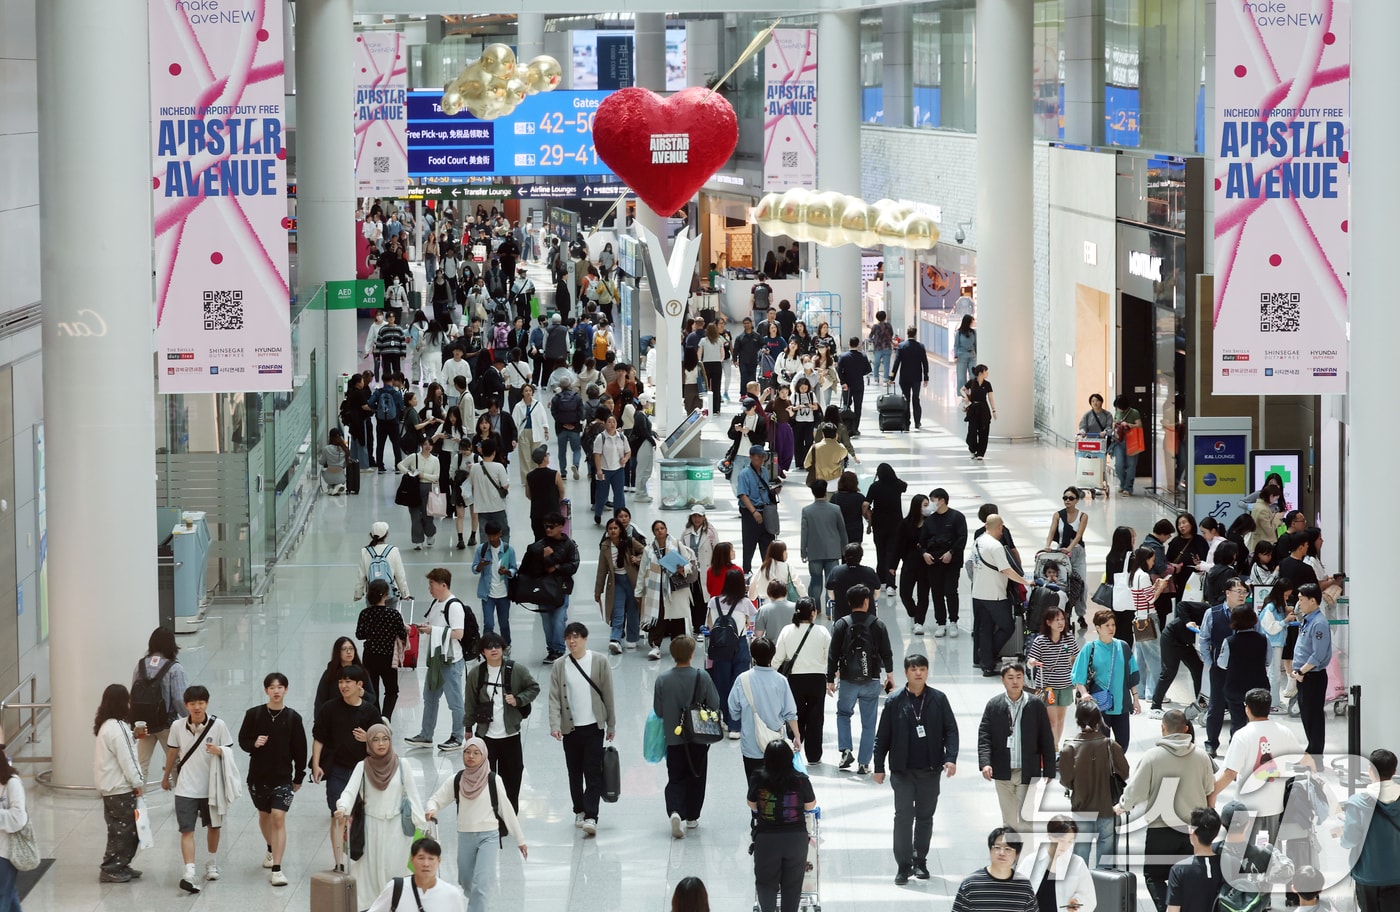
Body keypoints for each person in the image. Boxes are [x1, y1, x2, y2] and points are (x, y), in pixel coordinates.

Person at [1114, 710, 1216, 909]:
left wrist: (1122, 806)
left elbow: (1135, 791)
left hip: (1160, 829)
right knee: (1188, 874)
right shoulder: (1202, 756)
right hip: (1192, 830)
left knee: (1154, 875)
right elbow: (1209, 790)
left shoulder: (1152, 757)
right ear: (1186, 729)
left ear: (1163, 729)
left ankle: (1166, 908)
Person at [872, 653, 959, 884]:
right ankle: (903, 865)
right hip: (902, 771)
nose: (918, 672)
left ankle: (920, 860)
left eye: (922, 668)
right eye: (913, 669)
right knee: (902, 817)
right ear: (906, 672)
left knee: (924, 817)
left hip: (930, 770)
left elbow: (951, 730)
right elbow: (882, 737)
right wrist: (878, 766)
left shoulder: (939, 699)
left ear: (927, 672)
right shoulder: (894, 701)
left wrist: (950, 758)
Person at [423, 738, 527, 908]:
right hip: (465, 835)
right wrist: (431, 809)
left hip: (489, 836)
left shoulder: (493, 780)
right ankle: (482, 901)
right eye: (467, 752)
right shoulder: (457, 780)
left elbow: (507, 810)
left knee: (481, 882)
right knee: (465, 880)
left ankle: (479, 903)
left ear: (484, 755)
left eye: (476, 753)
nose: (470, 756)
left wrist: (520, 840)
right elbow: (436, 799)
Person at [334, 723, 429, 908]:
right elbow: (349, 792)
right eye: (375, 740)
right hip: (371, 830)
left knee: (395, 873)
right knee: (370, 876)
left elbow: (413, 795)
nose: (381, 744)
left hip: (397, 831)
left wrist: (423, 827)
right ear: (369, 743)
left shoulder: (403, 765)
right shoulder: (362, 766)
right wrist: (343, 807)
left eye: (385, 739)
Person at [162, 685, 236, 894]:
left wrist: (219, 750)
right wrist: (166, 776)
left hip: (211, 788)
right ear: (186, 705)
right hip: (185, 788)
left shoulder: (218, 725)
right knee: (186, 830)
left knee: (214, 827)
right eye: (193, 703)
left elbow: (229, 751)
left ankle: (211, 862)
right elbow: (172, 752)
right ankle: (189, 871)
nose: (197, 707)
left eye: (201, 702)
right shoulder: (177, 726)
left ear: (207, 703)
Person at [1208, 688, 1307, 842]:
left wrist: (1212, 794)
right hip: (1274, 805)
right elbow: (1299, 760)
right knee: (1267, 853)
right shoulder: (1284, 731)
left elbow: (1229, 773)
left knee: (1243, 854)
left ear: (1247, 708)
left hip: (1246, 807)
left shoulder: (1242, 735)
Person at [238, 672, 308, 886]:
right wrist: (254, 743)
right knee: (264, 816)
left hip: (283, 777)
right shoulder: (254, 714)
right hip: (258, 777)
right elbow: (242, 740)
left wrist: (299, 776)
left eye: (280, 687)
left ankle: (277, 868)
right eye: (272, 687)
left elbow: (300, 749)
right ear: (266, 690)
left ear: (286, 689)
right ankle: (270, 848)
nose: (276, 691)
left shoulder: (293, 718)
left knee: (278, 817)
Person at [311, 664, 382, 874]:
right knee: (338, 815)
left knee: (364, 816)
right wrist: (316, 764)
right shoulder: (329, 709)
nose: (343, 686)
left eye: (348, 681)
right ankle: (339, 862)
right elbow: (319, 738)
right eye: (341, 682)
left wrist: (368, 737)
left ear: (359, 685)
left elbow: (382, 742)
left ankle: (363, 857)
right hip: (338, 771)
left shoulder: (369, 711)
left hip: (363, 772)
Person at [548, 622, 616, 837]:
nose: (572, 641)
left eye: (576, 637)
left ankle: (591, 816)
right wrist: (554, 725)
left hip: (594, 726)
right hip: (571, 728)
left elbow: (608, 694)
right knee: (574, 772)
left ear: (585, 639)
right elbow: (554, 697)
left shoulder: (599, 661)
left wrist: (611, 723)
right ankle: (579, 809)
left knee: (593, 772)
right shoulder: (559, 665)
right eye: (568, 637)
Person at [653, 635, 723, 837]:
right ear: (692, 654)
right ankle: (692, 817)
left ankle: (675, 810)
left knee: (675, 776)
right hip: (698, 737)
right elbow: (715, 703)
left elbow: (658, 711)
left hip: (674, 738)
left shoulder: (662, 680)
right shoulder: (702, 676)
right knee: (697, 775)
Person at [464, 633, 538, 812]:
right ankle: (491, 814)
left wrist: (519, 699)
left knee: (512, 776)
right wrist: (468, 728)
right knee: (486, 777)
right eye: (489, 647)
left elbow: (534, 687)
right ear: (483, 651)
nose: (494, 650)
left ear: (503, 649)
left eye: (497, 646)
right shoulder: (477, 673)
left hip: (510, 734)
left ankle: (510, 813)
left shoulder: (516, 670)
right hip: (485, 735)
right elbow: (470, 701)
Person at [978, 663, 1057, 833]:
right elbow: (984, 736)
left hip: (1027, 770)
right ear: (1003, 680)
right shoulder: (994, 705)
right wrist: (985, 763)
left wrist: (1050, 768)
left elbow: (1046, 737)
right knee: (1009, 821)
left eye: (1019, 677)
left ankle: (1025, 858)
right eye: (1010, 678)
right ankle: (1011, 857)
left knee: (1026, 820)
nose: (1015, 681)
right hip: (1002, 771)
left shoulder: (1035, 704)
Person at [407, 568, 477, 753]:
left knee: (455, 701)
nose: (429, 587)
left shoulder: (453, 606)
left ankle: (457, 736)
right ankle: (426, 735)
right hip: (436, 659)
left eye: (431, 583)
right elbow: (437, 626)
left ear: (443, 585)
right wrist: (426, 628)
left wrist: (433, 631)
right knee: (430, 698)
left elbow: (458, 633)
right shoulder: (436, 603)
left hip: (451, 660)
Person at [827, 585, 895, 775]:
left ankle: (846, 750)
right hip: (871, 679)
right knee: (868, 723)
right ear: (868, 602)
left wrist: (830, 678)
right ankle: (864, 763)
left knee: (843, 714)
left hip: (848, 680)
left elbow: (833, 654)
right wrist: (889, 676)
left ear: (849, 603)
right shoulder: (878, 624)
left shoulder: (841, 624)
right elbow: (886, 653)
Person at [748, 741, 818, 912]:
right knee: (792, 885)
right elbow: (811, 805)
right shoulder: (800, 779)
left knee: (765, 882)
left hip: (766, 839)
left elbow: (751, 803)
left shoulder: (758, 777)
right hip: (795, 839)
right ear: (789, 758)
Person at [1059, 700, 1129, 868]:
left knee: (1080, 856)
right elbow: (1125, 772)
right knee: (1106, 860)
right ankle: (1103, 891)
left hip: (1082, 809)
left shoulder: (1069, 748)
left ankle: (1081, 890)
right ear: (1099, 721)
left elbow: (1066, 781)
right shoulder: (1110, 745)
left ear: (1078, 721)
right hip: (1108, 809)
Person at [728, 637, 802, 778]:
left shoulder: (742, 679)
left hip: (751, 745)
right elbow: (790, 713)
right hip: (776, 745)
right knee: (777, 786)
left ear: (752, 655)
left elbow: (733, 710)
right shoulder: (781, 681)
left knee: (754, 787)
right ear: (772, 655)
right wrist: (797, 736)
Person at [94, 684, 144, 884]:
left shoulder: (106, 726)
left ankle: (120, 864)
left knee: (118, 829)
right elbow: (128, 759)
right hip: (120, 788)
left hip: (109, 787)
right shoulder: (118, 727)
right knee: (125, 831)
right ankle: (112, 868)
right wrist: (138, 782)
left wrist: (133, 738)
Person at [972, 515, 1034, 676]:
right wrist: (1025, 582)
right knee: (1007, 626)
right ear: (999, 527)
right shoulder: (996, 546)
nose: (1002, 531)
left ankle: (986, 663)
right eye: (1001, 528)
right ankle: (988, 656)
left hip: (978, 593)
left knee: (986, 629)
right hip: (995, 595)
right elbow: (1006, 570)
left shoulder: (978, 541)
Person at [772, 598, 832, 765]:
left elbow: (778, 658)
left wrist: (770, 672)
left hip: (795, 679)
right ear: (813, 612)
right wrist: (831, 675)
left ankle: (794, 747)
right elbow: (830, 657)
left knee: (794, 714)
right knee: (816, 717)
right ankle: (814, 756)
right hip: (817, 679)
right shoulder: (822, 632)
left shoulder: (787, 630)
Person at [1340, 748, 1400, 912]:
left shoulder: (1357, 803)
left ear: (1370, 770)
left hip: (1368, 874)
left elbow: (1349, 840)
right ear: (1395, 771)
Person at [1197, 577, 1250, 757]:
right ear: (1227, 593)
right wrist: (1209, 663)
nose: (1243, 595)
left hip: (1241, 669)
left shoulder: (1249, 614)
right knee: (1216, 707)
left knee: (1238, 709)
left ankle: (1235, 745)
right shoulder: (1213, 613)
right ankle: (1211, 743)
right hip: (1218, 669)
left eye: (1245, 592)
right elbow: (1203, 639)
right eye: (1239, 592)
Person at [705, 568, 759, 738]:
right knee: (740, 685)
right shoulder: (745, 603)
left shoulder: (713, 602)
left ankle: (726, 719)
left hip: (720, 648)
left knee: (722, 683)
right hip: (740, 645)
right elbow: (751, 624)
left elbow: (710, 626)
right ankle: (736, 727)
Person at [131, 625, 189, 779]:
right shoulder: (175, 668)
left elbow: (134, 693)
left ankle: (139, 800)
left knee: (141, 764)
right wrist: (189, 719)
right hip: (166, 724)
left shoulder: (140, 665)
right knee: (177, 763)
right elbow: (179, 699)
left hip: (144, 724)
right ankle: (182, 799)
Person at [639, 519, 698, 661]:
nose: (660, 531)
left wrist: (682, 569)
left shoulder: (677, 545)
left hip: (675, 586)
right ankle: (655, 646)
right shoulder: (648, 550)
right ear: (653, 532)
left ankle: (678, 647)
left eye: (662, 528)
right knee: (657, 616)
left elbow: (689, 562)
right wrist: (639, 591)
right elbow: (642, 571)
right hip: (656, 589)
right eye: (657, 529)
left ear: (666, 529)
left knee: (677, 616)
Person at [362, 836, 468, 912]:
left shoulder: (452, 895)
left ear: (439, 861)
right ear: (412, 859)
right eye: (421, 858)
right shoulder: (396, 888)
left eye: (431, 859)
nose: (426, 864)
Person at [527, 512, 579, 664]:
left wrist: (556, 567)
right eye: (546, 527)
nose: (548, 529)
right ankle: (552, 649)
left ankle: (559, 649)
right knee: (547, 621)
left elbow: (574, 566)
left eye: (551, 527)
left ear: (561, 527)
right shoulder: (540, 545)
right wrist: (542, 557)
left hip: (561, 589)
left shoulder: (569, 545)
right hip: (543, 589)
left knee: (558, 619)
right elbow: (529, 567)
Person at [1016, 815, 1097, 912]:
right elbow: (1016, 892)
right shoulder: (1031, 861)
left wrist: (1077, 903)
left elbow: (1089, 898)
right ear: (1050, 835)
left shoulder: (1077, 864)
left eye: (1070, 841)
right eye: (1061, 840)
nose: (1065, 846)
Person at [949, 827, 1038, 911]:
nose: (1002, 853)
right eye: (997, 847)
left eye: (1008, 849)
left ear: (1016, 854)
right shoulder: (971, 884)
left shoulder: (1024, 887)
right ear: (990, 850)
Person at [1025, 607, 1079, 744]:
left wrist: (1074, 662)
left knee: (1061, 719)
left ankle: (1055, 746)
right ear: (1048, 623)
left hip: (1066, 685)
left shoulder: (1069, 639)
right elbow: (1030, 662)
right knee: (1052, 720)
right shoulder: (1040, 641)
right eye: (1057, 620)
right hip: (1047, 687)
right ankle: (1050, 748)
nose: (1061, 623)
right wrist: (1032, 662)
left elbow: (1078, 659)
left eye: (1062, 619)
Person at [1289, 582, 1332, 756]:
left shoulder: (1319, 623)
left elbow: (1318, 654)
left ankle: (1315, 756)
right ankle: (1311, 751)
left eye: (1301, 599)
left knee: (1313, 718)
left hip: (1312, 677)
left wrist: (1301, 671)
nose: (1299, 603)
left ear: (1313, 601)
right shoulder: (1308, 620)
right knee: (1307, 716)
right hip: (1304, 676)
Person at [922, 488, 970, 638]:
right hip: (934, 561)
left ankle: (953, 621)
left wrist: (952, 552)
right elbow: (922, 540)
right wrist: (924, 553)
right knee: (936, 592)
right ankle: (941, 623)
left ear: (942, 500)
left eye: (933, 500)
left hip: (951, 562)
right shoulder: (929, 520)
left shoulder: (957, 517)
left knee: (950, 591)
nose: (931, 504)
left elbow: (962, 537)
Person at [356, 582, 407, 720]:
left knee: (372, 691)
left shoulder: (365, 614)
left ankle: (376, 717)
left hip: (370, 657)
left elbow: (359, 635)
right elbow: (402, 635)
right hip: (388, 657)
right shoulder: (393, 614)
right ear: (385, 595)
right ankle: (386, 718)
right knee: (392, 690)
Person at [595, 516, 646, 654]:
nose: (613, 531)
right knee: (617, 611)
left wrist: (637, 559)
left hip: (632, 581)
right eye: (610, 528)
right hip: (616, 582)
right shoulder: (605, 546)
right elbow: (602, 570)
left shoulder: (629, 542)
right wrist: (598, 590)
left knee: (633, 609)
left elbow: (645, 552)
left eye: (615, 528)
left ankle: (632, 638)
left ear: (620, 529)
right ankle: (615, 639)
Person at [1162, 808, 1224, 912]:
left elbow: (1173, 910)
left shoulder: (1179, 869)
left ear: (1192, 832)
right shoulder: (1225, 865)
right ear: (1216, 833)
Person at [864, 462, 908, 594]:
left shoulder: (875, 487)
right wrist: (894, 477)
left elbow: (866, 504)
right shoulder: (898, 485)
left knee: (880, 552)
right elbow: (905, 485)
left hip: (879, 524)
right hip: (896, 524)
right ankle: (890, 585)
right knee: (892, 553)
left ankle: (881, 581)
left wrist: (867, 518)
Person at [1045, 487, 1089, 620]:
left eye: (1070, 498)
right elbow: (1052, 532)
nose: (1067, 501)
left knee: (1081, 583)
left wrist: (1070, 548)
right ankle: (1065, 611)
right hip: (1062, 552)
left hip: (1077, 552)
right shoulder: (1058, 515)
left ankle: (1081, 613)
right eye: (1065, 498)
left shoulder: (1083, 516)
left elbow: (1079, 535)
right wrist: (1047, 545)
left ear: (1077, 500)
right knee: (1063, 581)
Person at [800, 479, 848, 599]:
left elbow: (804, 532)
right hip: (832, 551)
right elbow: (842, 530)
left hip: (814, 551)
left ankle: (815, 608)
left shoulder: (807, 511)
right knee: (831, 583)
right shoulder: (836, 509)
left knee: (815, 581)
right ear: (825, 492)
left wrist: (803, 551)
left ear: (813, 493)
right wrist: (845, 549)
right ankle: (829, 610)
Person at [736, 445, 779, 572]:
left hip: (765, 511)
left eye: (763, 457)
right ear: (751, 457)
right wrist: (754, 512)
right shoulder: (744, 474)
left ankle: (767, 572)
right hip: (751, 513)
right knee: (749, 546)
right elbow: (743, 495)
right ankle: (747, 572)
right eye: (758, 456)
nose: (761, 459)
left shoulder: (764, 471)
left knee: (767, 546)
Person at [355, 521, 412, 613]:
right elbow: (400, 575)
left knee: (373, 621)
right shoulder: (393, 550)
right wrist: (405, 593)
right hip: (390, 593)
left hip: (372, 594)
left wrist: (358, 594)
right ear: (386, 535)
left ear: (371, 535)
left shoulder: (365, 551)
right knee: (391, 619)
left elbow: (361, 576)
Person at [398, 436, 442, 550]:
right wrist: (408, 473)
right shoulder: (414, 457)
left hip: (428, 489)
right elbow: (400, 464)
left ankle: (430, 533)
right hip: (414, 488)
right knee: (415, 516)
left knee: (428, 516)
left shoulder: (435, 460)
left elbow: (436, 477)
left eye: (430, 445)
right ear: (421, 445)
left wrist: (424, 475)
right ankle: (418, 540)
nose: (427, 447)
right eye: (425, 444)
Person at [825, 543, 883, 620]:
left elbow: (830, 593)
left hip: (842, 615)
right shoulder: (870, 572)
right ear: (861, 556)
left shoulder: (836, 571)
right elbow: (877, 593)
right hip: (867, 615)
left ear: (845, 556)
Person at [591, 414, 630, 525]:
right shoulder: (601, 437)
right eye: (609, 422)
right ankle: (598, 513)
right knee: (602, 494)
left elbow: (628, 451)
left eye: (614, 422)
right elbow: (597, 454)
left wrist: (625, 459)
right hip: (604, 470)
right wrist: (599, 470)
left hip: (618, 470)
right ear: (605, 423)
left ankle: (618, 518)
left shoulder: (621, 437)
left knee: (619, 494)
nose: (612, 424)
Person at [889, 326, 929, 429]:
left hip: (904, 377)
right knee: (916, 398)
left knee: (906, 399)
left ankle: (906, 423)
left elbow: (896, 363)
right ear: (915, 334)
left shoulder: (901, 346)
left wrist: (891, 377)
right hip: (916, 377)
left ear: (907, 334)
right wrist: (926, 377)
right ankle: (917, 422)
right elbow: (925, 362)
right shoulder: (920, 346)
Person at [1109, 394, 1143, 496]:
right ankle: (1123, 484)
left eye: (1121, 408)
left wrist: (1129, 425)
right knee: (1118, 465)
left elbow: (1139, 425)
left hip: (1132, 442)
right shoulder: (1117, 411)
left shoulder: (1134, 412)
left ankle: (1128, 488)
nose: (1119, 410)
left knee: (1131, 466)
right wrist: (1115, 424)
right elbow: (1114, 421)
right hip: (1119, 442)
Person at [962, 364, 996, 460]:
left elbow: (991, 398)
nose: (987, 373)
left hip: (984, 409)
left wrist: (994, 410)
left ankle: (981, 452)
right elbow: (962, 389)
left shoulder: (987, 384)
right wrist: (965, 396)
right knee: (972, 432)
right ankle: (972, 449)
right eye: (986, 371)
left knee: (984, 431)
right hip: (973, 409)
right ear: (981, 372)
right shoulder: (972, 383)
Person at [837, 336, 872, 423]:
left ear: (849, 344)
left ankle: (846, 424)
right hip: (859, 384)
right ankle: (855, 427)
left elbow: (838, 370)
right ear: (858, 344)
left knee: (846, 405)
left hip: (846, 384)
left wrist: (843, 382)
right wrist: (860, 373)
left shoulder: (843, 356)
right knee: (858, 406)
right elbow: (869, 369)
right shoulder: (863, 356)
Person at [954, 315, 978, 388]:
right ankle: (964, 394)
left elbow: (975, 344)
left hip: (972, 356)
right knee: (961, 377)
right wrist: (956, 356)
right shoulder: (959, 333)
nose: (973, 323)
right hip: (961, 356)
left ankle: (973, 393)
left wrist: (977, 353)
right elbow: (956, 345)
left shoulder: (973, 332)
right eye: (972, 321)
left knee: (973, 376)